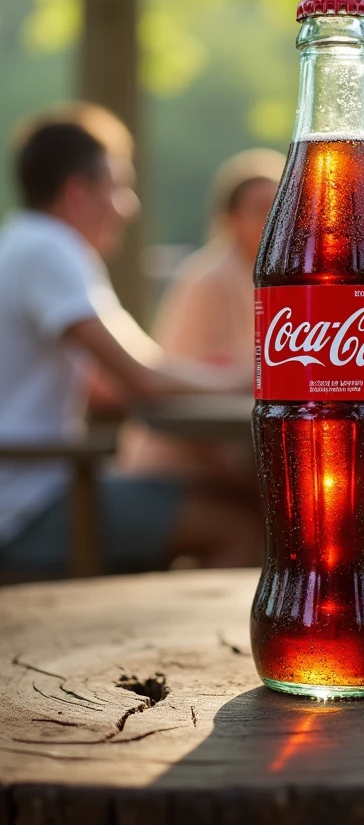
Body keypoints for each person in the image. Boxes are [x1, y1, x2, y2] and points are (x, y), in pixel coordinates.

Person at [0, 103, 256, 577]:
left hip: (35, 489)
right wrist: (256, 376)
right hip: (27, 509)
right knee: (246, 527)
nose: (128, 205)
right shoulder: (50, 250)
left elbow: (108, 384)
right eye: (117, 186)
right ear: (78, 193)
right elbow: (143, 377)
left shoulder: (23, 243)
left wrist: (199, 376)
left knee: (237, 498)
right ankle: (202, 648)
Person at [119, 148, 284, 479]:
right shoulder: (209, 279)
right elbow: (182, 370)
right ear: (231, 218)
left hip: (236, 450)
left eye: (281, 208)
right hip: (182, 458)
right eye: (260, 209)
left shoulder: (282, 282)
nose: (274, 220)